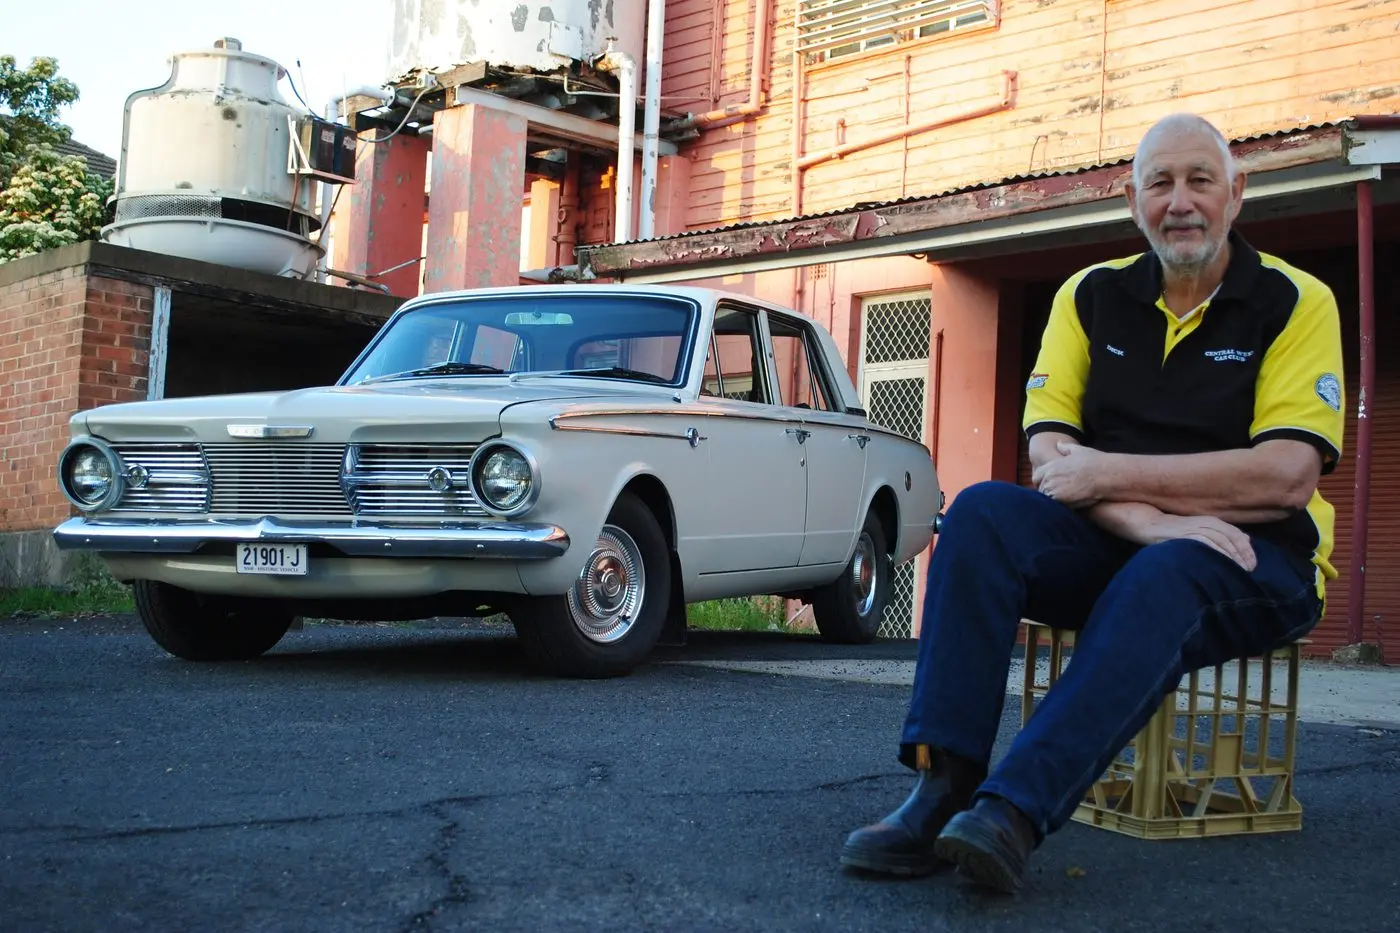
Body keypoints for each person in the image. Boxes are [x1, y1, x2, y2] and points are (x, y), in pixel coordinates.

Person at [839, 112, 1345, 893]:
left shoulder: (1295, 301)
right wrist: (1146, 520)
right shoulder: (1089, 297)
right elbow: (1051, 459)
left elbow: (1283, 475)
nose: (1180, 202)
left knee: (1167, 571)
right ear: (1133, 200)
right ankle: (943, 789)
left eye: (1200, 181)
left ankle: (1012, 811)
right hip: (1122, 540)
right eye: (1160, 183)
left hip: (1259, 555)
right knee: (979, 514)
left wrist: (1114, 486)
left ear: (1236, 194)